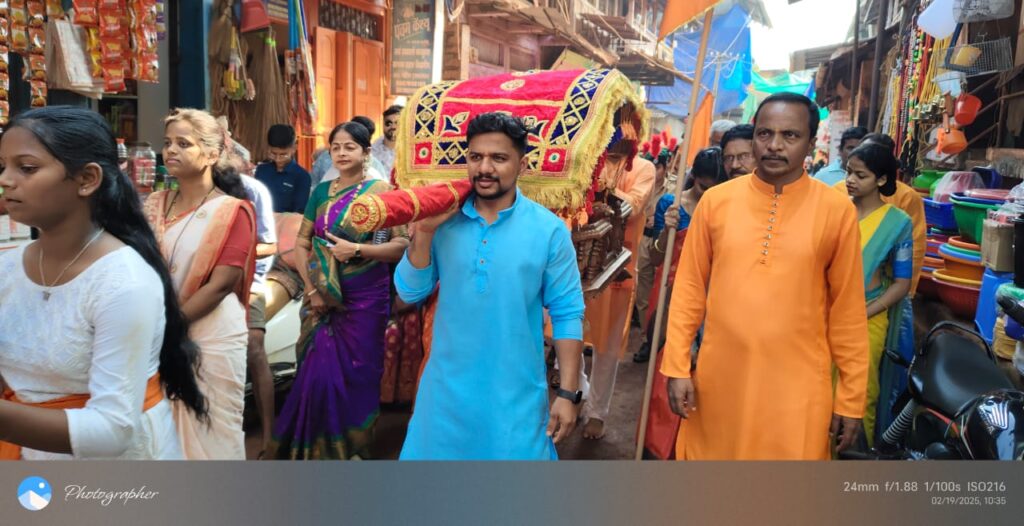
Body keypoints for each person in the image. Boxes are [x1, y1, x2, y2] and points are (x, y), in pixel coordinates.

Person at [662, 93, 869, 460]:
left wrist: (851, 399)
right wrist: (677, 366)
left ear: (810, 143)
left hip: (798, 389)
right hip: (720, 381)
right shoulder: (716, 202)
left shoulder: (836, 210)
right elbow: (689, 288)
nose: (774, 145)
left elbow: (847, 312)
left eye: (790, 135)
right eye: (764, 134)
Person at [0, 106, 206, 460]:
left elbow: (112, 431)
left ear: (87, 179)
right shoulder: (7, 268)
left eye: (27, 168)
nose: (6, 179)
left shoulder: (124, 282)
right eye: (3, 166)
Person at [395, 112, 585, 460]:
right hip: (444, 398)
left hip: (515, 399)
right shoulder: (443, 222)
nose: (484, 168)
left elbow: (567, 312)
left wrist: (568, 393)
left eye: (498, 158)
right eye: (475, 156)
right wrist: (423, 232)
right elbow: (410, 292)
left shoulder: (549, 231)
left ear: (522, 165)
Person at [270, 121, 410, 460]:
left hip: (366, 299)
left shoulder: (383, 193)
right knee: (316, 373)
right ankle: (312, 449)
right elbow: (302, 243)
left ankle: (354, 448)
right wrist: (312, 290)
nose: (342, 153)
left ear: (366, 151)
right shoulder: (321, 193)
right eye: (336, 147)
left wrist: (357, 249)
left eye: (350, 147)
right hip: (321, 297)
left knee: (359, 374)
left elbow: (401, 245)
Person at [145, 108, 257, 460]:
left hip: (211, 335)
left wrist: (169, 328)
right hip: (158, 329)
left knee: (212, 437)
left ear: (211, 154)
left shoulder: (232, 211)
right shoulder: (154, 204)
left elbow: (221, 285)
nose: (171, 150)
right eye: (167, 143)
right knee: (160, 436)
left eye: (184, 143)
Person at [579, 136, 655, 440]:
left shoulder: (643, 167)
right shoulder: (587, 159)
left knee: (607, 346)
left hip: (617, 268)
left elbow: (632, 207)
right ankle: (578, 391)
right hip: (579, 266)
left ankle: (597, 411)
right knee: (567, 335)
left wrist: (600, 187)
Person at [844, 142, 914, 448]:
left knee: (862, 394)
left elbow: (901, 283)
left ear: (882, 179)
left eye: (860, 175)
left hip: (867, 317)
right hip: (823, 315)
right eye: (848, 172)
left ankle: (855, 458)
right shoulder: (835, 210)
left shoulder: (898, 223)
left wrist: (864, 313)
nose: (850, 180)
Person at [633, 147, 726, 364]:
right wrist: (667, 230)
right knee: (663, 347)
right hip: (670, 288)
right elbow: (656, 258)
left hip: (708, 290)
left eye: (714, 188)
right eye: (703, 187)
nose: (707, 194)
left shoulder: (723, 208)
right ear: (693, 177)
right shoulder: (670, 204)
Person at [255, 124, 311, 213]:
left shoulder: (302, 177)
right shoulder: (261, 170)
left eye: (283, 154)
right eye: (273, 153)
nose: (278, 159)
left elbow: (298, 213)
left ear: (294, 148)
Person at [372, 105, 402, 178]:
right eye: (389, 123)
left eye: (397, 123)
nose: (393, 127)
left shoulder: (413, 152)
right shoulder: (371, 153)